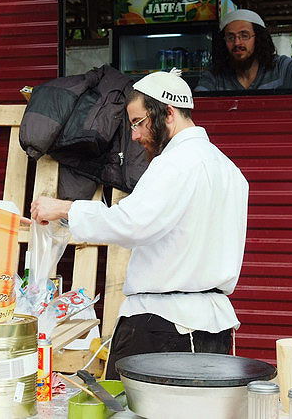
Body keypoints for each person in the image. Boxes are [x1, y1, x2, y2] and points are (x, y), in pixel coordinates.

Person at [31, 69, 249, 378]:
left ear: (168, 113)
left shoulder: (174, 163)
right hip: (214, 328)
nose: (133, 136)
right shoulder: (230, 171)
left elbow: (131, 223)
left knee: (126, 403)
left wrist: (64, 208)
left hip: (163, 326)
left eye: (138, 122)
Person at [196, 9, 292, 91]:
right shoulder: (214, 76)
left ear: (259, 39)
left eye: (244, 36)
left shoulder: (282, 67)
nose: (237, 42)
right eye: (230, 37)